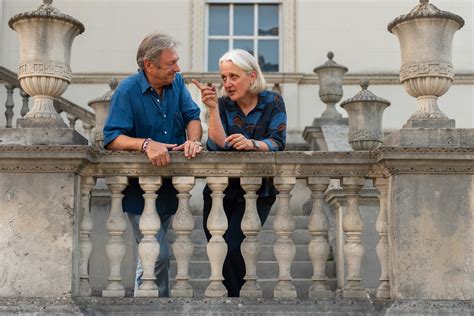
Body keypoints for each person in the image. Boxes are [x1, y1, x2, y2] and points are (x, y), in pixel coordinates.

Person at [103, 32, 203, 297]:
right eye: (171, 63)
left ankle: (156, 306)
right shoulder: (127, 90)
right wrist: (146, 144)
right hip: (140, 191)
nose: (177, 68)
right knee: (156, 255)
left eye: (176, 62)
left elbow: (193, 116)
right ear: (149, 65)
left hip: (171, 189)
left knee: (153, 256)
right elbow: (112, 137)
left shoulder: (177, 83)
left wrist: (193, 141)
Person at [193, 49, 287, 297]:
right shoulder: (223, 104)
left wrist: (253, 144)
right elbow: (217, 144)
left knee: (235, 245)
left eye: (234, 76)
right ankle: (235, 302)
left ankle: (237, 303)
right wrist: (212, 109)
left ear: (252, 76)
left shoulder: (273, 101)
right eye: (224, 78)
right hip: (219, 191)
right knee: (218, 248)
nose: (228, 83)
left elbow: (278, 141)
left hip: (258, 191)